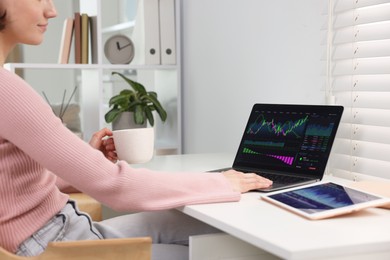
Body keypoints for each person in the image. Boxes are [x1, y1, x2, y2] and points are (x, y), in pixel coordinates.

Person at [0, 0, 272, 259]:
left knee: (199, 225)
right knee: (235, 252)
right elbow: (115, 186)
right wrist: (223, 182)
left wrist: (83, 165)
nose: (52, 11)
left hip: (55, 235)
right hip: (57, 246)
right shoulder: (6, 89)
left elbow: (11, 188)